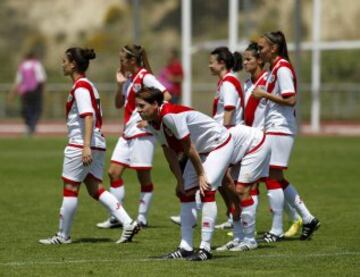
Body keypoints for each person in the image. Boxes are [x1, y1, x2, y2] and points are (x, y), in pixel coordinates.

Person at [39, 47, 140, 245]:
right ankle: (128, 222)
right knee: (96, 189)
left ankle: (62, 236)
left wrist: (85, 146)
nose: (62, 64)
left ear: (73, 64)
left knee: (70, 188)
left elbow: (88, 116)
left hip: (82, 144)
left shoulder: (81, 87)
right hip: (97, 143)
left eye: (64, 61)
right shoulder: (88, 85)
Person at [136, 87, 234, 261]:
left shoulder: (170, 116)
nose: (138, 110)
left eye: (142, 106)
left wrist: (201, 174)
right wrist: (179, 180)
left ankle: (205, 248)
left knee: (207, 188)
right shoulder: (152, 122)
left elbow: (188, 147)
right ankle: (186, 247)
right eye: (137, 106)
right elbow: (169, 153)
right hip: (200, 150)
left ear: (155, 104)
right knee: (185, 192)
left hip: (219, 143)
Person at [253, 31, 320, 242]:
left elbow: (291, 100)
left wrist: (264, 94)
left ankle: (276, 230)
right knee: (276, 177)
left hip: (281, 128)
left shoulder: (282, 68)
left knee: (271, 177)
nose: (259, 51)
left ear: (273, 48)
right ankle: (308, 218)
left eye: (262, 47)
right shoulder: (275, 68)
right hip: (275, 127)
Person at [96, 44, 171, 229]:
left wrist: (151, 119)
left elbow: (167, 95)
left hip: (142, 133)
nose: (120, 63)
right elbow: (118, 104)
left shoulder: (146, 77)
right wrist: (120, 85)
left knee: (143, 177)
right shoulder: (130, 79)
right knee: (113, 173)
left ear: (131, 61)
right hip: (128, 132)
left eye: (122, 60)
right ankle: (116, 217)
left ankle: (142, 218)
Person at [243, 42, 303, 238]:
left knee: (269, 178)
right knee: (261, 179)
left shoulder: (273, 75)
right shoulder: (251, 81)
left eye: (249, 58)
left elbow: (289, 100)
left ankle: (281, 225)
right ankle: (301, 217)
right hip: (258, 132)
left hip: (271, 131)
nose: (245, 63)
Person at [8, 51, 46, 135]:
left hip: (24, 91)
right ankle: (32, 125)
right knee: (36, 108)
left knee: (26, 108)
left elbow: (18, 81)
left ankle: (29, 125)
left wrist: (12, 93)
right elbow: (41, 79)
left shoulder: (22, 66)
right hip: (35, 90)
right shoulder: (36, 64)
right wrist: (43, 90)